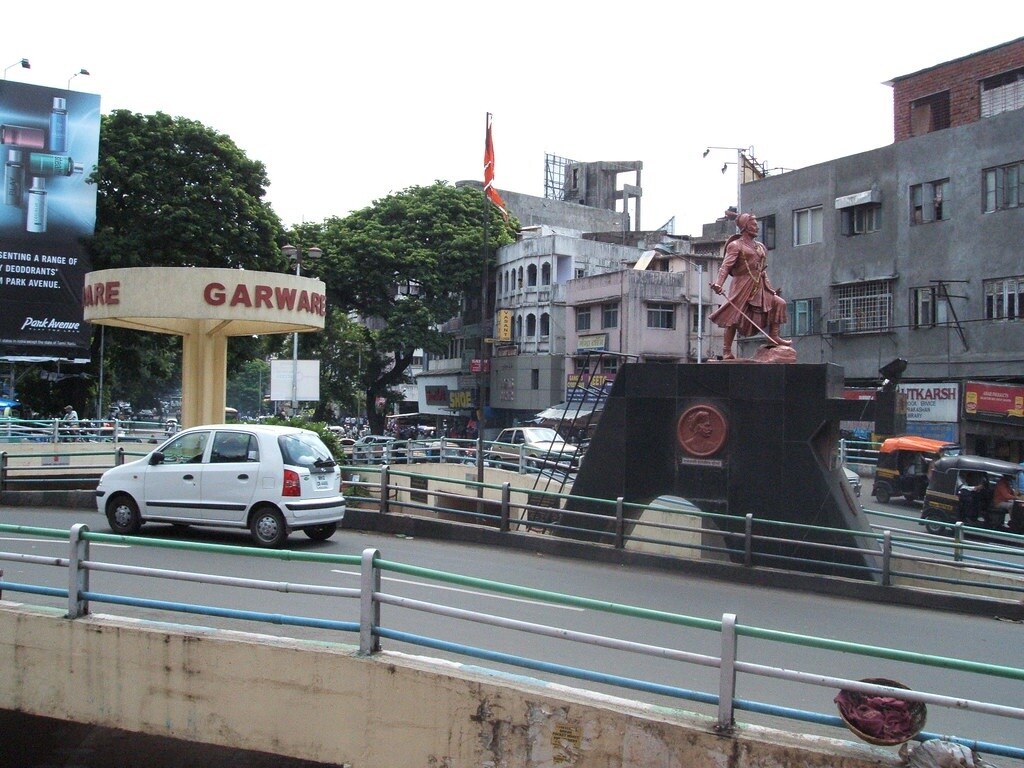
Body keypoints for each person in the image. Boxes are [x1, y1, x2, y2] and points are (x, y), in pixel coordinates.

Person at [710, 212, 790, 359]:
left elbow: (762, 270)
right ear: (745, 226)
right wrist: (718, 283)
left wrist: (771, 290)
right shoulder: (735, 245)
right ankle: (727, 350)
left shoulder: (760, 247)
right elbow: (725, 267)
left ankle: (774, 336)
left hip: (759, 285)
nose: (757, 228)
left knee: (779, 303)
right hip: (741, 284)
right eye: (753, 225)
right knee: (733, 315)